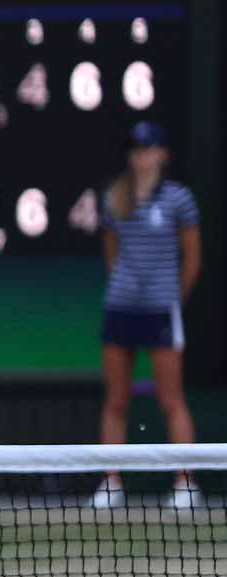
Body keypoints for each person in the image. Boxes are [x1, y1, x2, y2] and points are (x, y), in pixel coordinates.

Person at [92, 121, 204, 511]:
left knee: (171, 399)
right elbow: (111, 254)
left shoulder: (179, 199)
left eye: (148, 148)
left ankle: (185, 484)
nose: (140, 156)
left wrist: (170, 296)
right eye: (136, 149)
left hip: (160, 309)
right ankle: (111, 483)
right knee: (116, 401)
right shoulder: (115, 198)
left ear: (162, 153)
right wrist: (126, 288)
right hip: (121, 308)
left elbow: (192, 258)